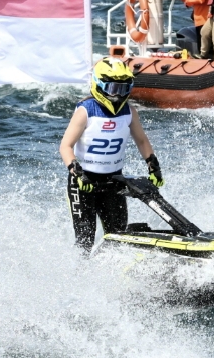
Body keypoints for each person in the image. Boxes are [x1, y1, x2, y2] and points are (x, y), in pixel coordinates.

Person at [59, 58, 164, 250]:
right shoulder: (85, 111)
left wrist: (153, 166)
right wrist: (77, 173)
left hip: (114, 181)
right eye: (113, 88)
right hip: (83, 183)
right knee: (85, 239)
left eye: (123, 89)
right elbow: (65, 146)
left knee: (118, 236)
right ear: (98, 85)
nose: (118, 94)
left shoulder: (129, 112)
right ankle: (79, 267)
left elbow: (141, 141)